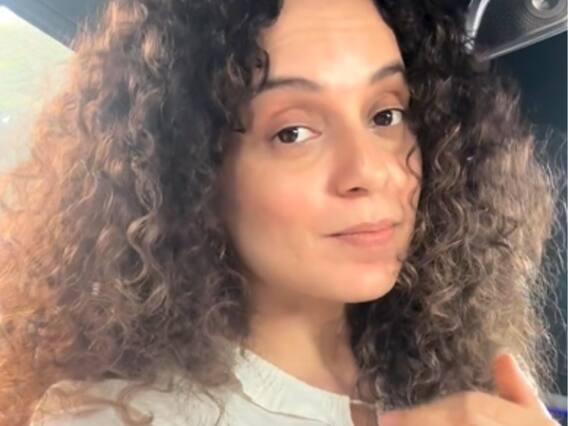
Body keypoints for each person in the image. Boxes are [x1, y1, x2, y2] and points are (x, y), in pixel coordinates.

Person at [0, 0, 563, 425]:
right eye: (293, 132)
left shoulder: (466, 377)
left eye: (386, 115)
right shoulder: (114, 417)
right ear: (191, 173)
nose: (371, 171)